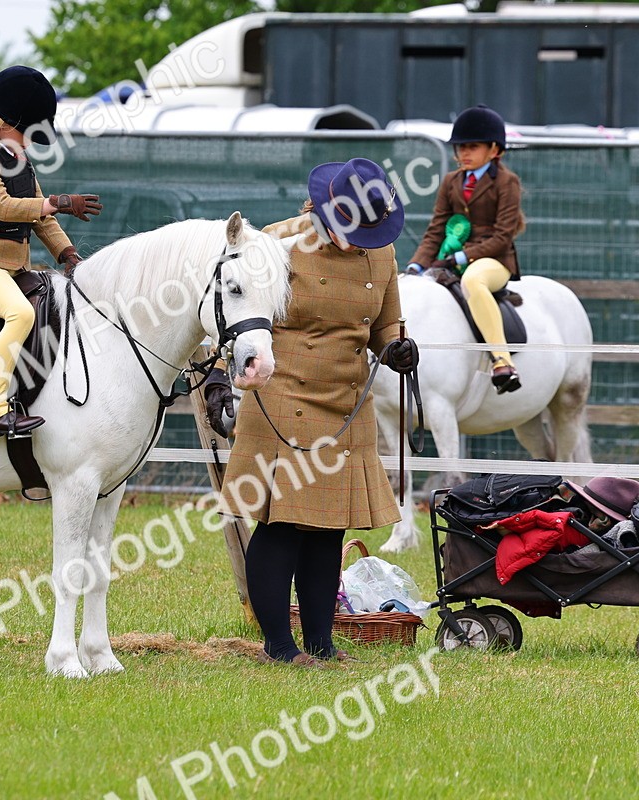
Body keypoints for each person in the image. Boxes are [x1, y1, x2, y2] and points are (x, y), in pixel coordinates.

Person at [204, 158, 418, 667]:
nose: (360, 241)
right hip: (280, 396)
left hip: (344, 404)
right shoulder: (274, 245)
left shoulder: (381, 254)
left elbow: (387, 327)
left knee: (328, 530)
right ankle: (278, 646)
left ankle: (321, 643)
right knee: (280, 525)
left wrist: (399, 349)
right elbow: (231, 315)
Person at [0, 65, 102, 440]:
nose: (29, 143)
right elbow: (2, 206)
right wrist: (56, 201)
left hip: (13, 266)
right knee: (20, 313)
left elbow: (39, 218)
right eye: (25, 133)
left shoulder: (19, 160)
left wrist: (68, 254)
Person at [406, 104, 525, 394]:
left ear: (494, 150)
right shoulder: (451, 182)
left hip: (494, 261)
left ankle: (502, 361)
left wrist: (463, 256)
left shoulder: (507, 183)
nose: (463, 154)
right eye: (460, 147)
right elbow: (436, 229)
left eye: (472, 147)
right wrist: (417, 265)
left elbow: (503, 235)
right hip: (451, 260)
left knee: (474, 280)